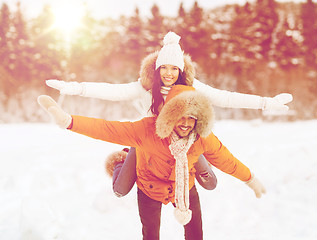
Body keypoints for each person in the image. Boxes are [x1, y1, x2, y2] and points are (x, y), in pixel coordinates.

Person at [45, 31, 292, 197]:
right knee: (120, 190)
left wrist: (265, 103)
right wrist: (76, 88)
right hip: (148, 140)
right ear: (157, 67)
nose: (169, 73)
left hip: (186, 142)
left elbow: (226, 97)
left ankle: (182, 171)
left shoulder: (193, 87)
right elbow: (112, 91)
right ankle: (124, 158)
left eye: (175, 68)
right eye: (165, 67)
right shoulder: (143, 87)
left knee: (211, 184)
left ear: (181, 70)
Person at [38, 84, 266, 240]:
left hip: (184, 187)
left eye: (192, 118)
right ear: (170, 115)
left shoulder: (203, 137)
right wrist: (68, 121)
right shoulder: (147, 130)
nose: (186, 123)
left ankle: (194, 160)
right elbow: (107, 128)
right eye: (181, 116)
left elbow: (228, 160)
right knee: (149, 232)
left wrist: (250, 179)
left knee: (195, 233)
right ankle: (125, 160)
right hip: (149, 187)